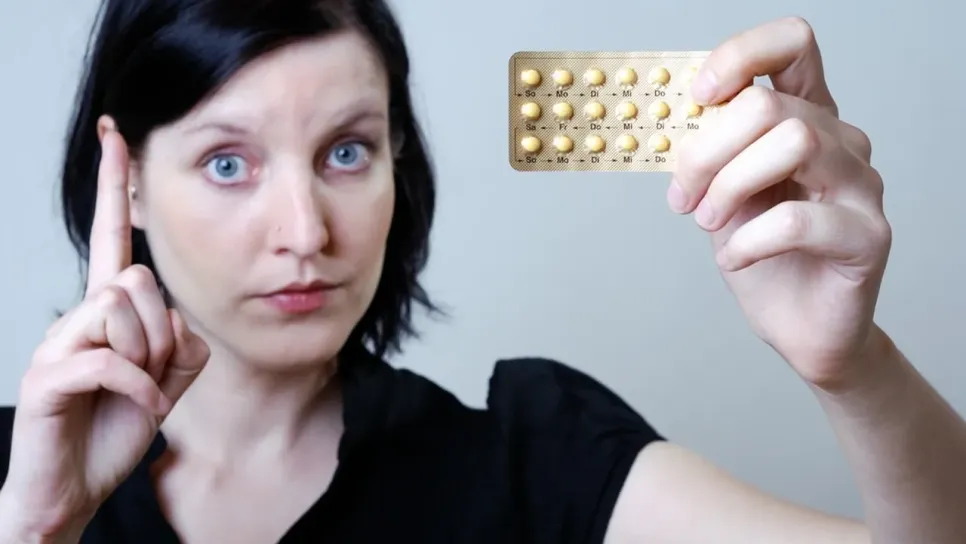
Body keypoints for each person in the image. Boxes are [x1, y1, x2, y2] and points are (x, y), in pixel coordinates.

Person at [0, 0, 964, 542]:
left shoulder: (529, 462)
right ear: (125, 179)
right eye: (227, 163)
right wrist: (38, 532)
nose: (305, 230)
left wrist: (854, 367)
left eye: (346, 151)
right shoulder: (20, 477)